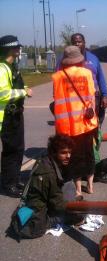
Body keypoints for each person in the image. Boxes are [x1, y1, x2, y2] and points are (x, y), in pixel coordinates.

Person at [52, 45, 98, 197]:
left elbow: (56, 99)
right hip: (86, 122)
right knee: (89, 154)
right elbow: (92, 96)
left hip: (67, 126)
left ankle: (78, 189)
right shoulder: (87, 73)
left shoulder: (57, 77)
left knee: (75, 156)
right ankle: (90, 186)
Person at [16, 134, 83, 237]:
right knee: (79, 214)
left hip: (34, 206)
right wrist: (79, 206)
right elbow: (58, 205)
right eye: (64, 153)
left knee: (69, 186)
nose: (68, 156)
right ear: (54, 153)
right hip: (37, 221)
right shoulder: (49, 174)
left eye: (69, 152)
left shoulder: (44, 160)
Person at [0, 35, 33, 198]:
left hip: (15, 115)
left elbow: (17, 84)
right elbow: (2, 93)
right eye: (17, 47)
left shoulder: (13, 66)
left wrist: (25, 88)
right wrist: (23, 92)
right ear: (9, 49)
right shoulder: (2, 68)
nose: (19, 50)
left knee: (18, 149)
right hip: (7, 117)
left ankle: (14, 179)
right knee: (11, 151)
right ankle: (8, 184)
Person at [57, 33, 107, 124]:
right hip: (72, 100)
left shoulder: (93, 58)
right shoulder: (63, 60)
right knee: (77, 125)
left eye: (79, 42)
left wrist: (104, 95)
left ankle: (95, 136)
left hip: (93, 98)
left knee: (94, 124)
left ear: (84, 43)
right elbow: (58, 81)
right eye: (74, 42)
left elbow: (100, 78)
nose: (77, 44)